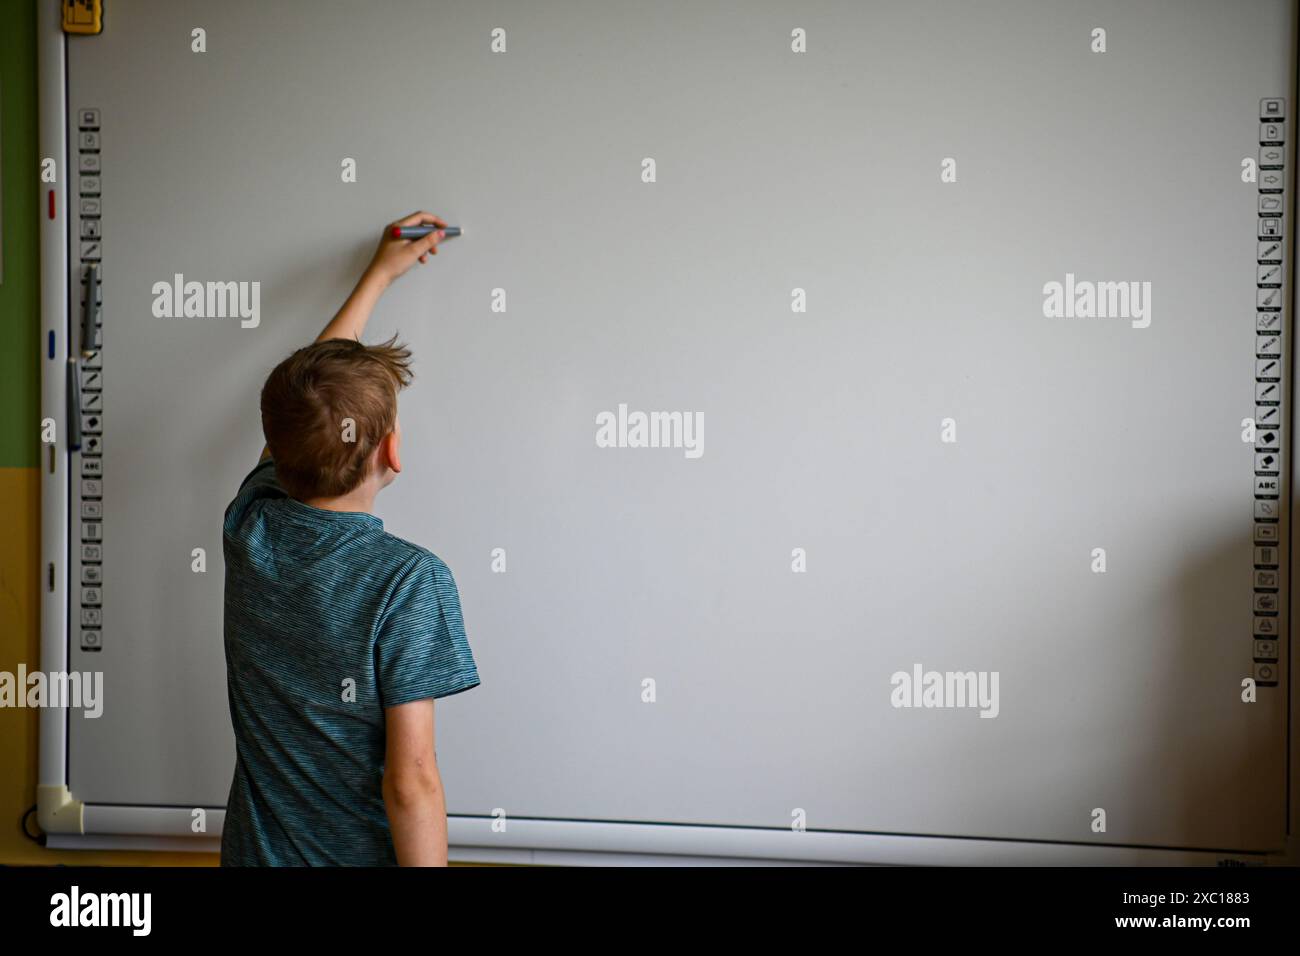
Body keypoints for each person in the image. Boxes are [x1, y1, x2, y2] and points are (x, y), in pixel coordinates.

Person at [220, 212, 479, 866]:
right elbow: (411, 780)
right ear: (393, 450)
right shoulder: (408, 583)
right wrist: (382, 273)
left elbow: (305, 407)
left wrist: (377, 275)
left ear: (277, 451)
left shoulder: (252, 525)